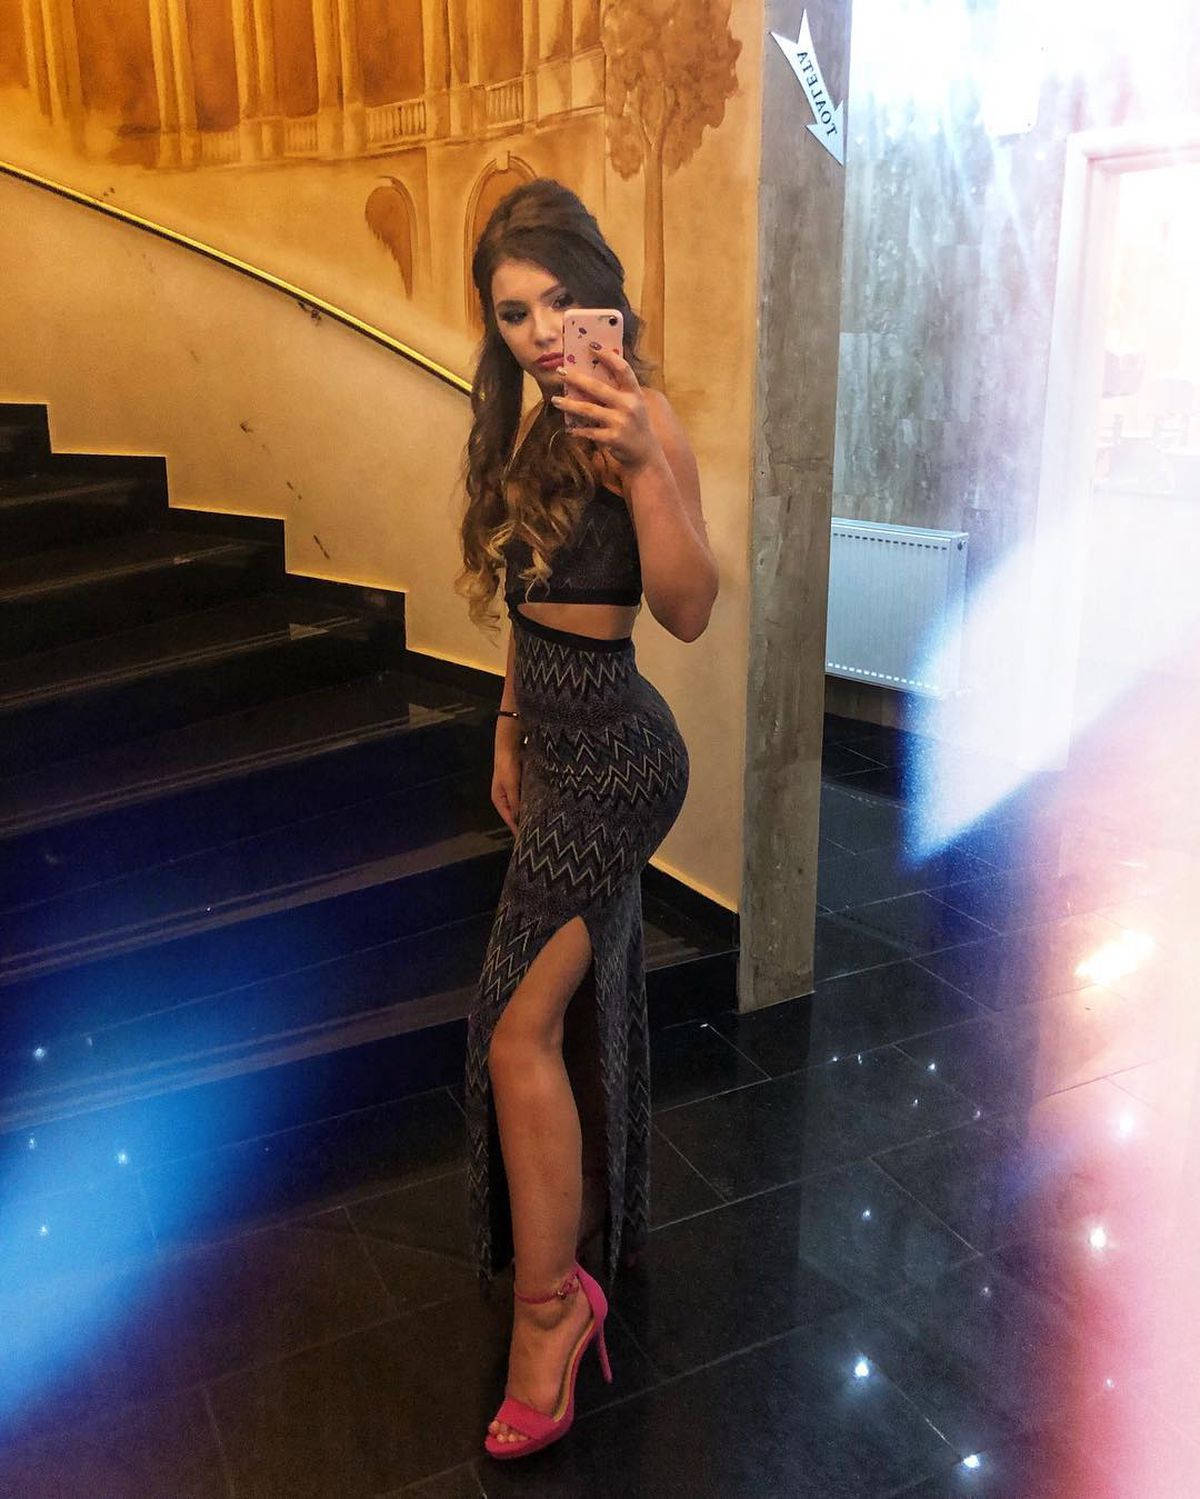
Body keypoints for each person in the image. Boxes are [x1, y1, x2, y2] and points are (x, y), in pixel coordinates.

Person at [454, 178, 718, 1459]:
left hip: (617, 756)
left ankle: (551, 1312)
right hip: (552, 749)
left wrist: (645, 463)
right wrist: (508, 726)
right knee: (562, 1012)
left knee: (515, 1026)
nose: (545, 333)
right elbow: (525, 607)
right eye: (516, 314)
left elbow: (689, 607)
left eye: (564, 302)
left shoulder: (640, 417)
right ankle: (592, 1236)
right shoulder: (520, 433)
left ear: (602, 295)